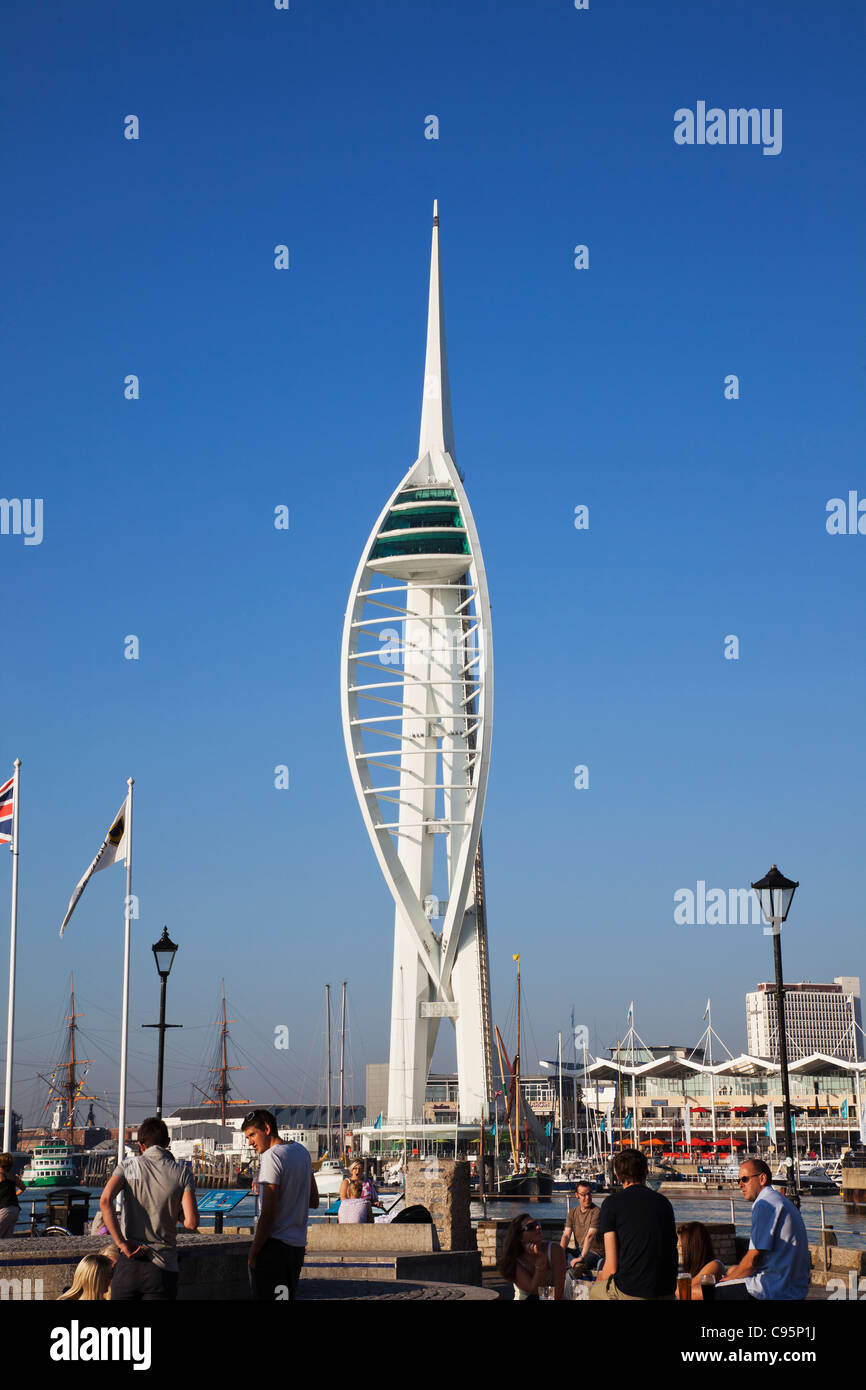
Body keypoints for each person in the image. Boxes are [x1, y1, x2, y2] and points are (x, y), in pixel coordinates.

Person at [98, 1116, 199, 1301]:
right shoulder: (182, 1173)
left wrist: (121, 1244)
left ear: (141, 1145)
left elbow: (105, 1201)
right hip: (162, 1267)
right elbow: (191, 1223)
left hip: (129, 1262)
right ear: (167, 1143)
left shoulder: (130, 1166)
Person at [243, 1108, 319, 1301]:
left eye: (252, 1135)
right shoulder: (301, 1152)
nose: (250, 1142)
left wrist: (253, 1252)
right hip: (297, 1246)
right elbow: (314, 1200)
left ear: (267, 1129)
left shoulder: (271, 1157)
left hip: (275, 1249)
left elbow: (268, 1214)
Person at [589, 1148, 677, 1301]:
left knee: (594, 1292)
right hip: (667, 1290)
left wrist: (599, 1281)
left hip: (633, 1291)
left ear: (617, 1175)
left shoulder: (611, 1204)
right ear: (645, 1173)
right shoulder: (664, 1203)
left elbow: (611, 1266)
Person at [715, 1159, 810, 1301]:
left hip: (770, 1291)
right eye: (739, 1180)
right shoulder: (780, 1200)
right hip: (794, 1289)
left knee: (698, 1291)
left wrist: (727, 1281)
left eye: (745, 1179)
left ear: (762, 1178)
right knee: (733, 1269)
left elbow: (753, 1260)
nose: (740, 1185)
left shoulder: (764, 1204)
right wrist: (733, 1275)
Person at [499, 1213, 567, 1300]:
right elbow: (536, 1291)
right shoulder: (514, 1260)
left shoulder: (555, 1250)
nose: (538, 1227)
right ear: (520, 1237)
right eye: (530, 1227)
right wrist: (540, 1260)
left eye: (537, 1224)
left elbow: (558, 1291)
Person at [561, 1181, 604, 1281]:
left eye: (589, 1194)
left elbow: (590, 1236)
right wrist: (559, 1252)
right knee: (558, 1252)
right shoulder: (572, 1213)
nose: (587, 1197)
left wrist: (581, 1257)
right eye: (583, 1195)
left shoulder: (596, 1212)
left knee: (572, 1272)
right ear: (577, 1195)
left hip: (595, 1252)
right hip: (580, 1248)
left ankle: (566, 1295)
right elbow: (566, 1236)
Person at [677, 1221, 727, 1299]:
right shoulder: (695, 1269)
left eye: (681, 1246)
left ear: (691, 1247)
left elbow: (687, 1292)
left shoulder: (714, 1265)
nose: (678, 1249)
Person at [0, 1152, 25, 1238]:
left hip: (4, 1209)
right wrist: (14, 1195)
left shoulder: (0, 1175)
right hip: (15, 1209)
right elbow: (23, 1187)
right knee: (6, 1238)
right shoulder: (13, 1176)